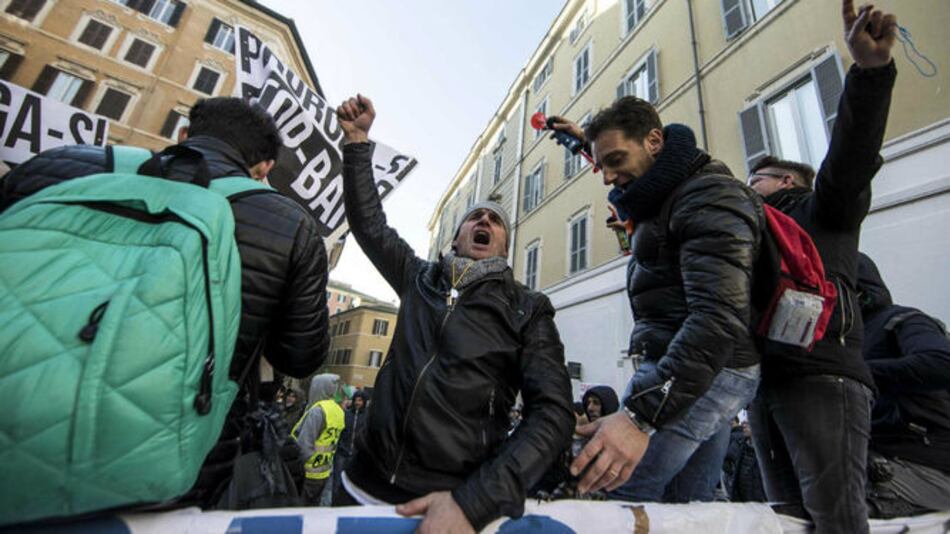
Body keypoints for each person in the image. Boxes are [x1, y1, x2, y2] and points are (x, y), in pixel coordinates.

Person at [0, 97, 330, 507]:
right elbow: (300, 358)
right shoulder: (292, 226)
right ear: (263, 168)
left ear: (183, 136)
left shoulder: (56, 166)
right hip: (167, 470)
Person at [335, 94, 574, 533]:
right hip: (359, 486)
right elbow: (370, 225)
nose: (484, 220)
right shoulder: (417, 277)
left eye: (495, 220)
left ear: (503, 245)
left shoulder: (527, 308)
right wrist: (356, 144)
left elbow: (554, 413)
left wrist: (476, 501)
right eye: (475, 217)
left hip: (449, 507)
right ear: (459, 235)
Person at [551, 108, 763, 502]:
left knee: (614, 493)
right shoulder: (667, 195)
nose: (609, 177)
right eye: (601, 167)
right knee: (686, 508)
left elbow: (716, 319)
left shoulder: (708, 196)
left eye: (614, 162)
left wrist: (638, 416)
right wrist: (589, 144)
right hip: (694, 371)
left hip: (699, 370)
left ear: (654, 142)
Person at [744, 3, 898, 531]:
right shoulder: (748, 233)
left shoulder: (822, 210)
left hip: (823, 376)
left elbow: (851, 158)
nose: (748, 187)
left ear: (787, 182)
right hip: (765, 383)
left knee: (836, 520)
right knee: (786, 522)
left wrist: (870, 75)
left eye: (756, 179)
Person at [857, 253, 950, 518]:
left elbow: (941, 362)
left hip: (924, 462)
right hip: (889, 455)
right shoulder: (848, 336)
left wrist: (857, 372)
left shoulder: (903, 320)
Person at [291, 374, 346, 505]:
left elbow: (304, 446)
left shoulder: (317, 411)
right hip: (323, 472)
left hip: (306, 473)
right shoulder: (338, 411)